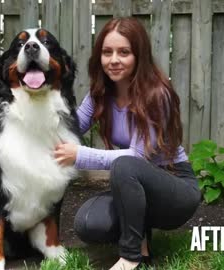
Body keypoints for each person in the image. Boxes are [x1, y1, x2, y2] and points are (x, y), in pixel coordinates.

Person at [54, 17, 201, 270]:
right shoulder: (101, 92)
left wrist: (78, 154)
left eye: (124, 52)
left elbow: (136, 157)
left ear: (139, 55)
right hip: (133, 187)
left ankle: (131, 257)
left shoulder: (157, 95)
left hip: (175, 189)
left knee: (126, 164)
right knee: (88, 223)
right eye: (107, 52)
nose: (113, 60)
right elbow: (72, 127)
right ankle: (141, 238)